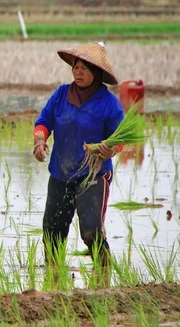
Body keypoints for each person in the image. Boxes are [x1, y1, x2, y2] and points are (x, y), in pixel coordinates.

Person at [33, 42, 124, 268]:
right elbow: (44, 122)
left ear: (97, 72)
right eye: (76, 66)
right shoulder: (61, 94)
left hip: (93, 176)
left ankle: (104, 272)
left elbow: (120, 139)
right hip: (60, 175)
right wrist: (40, 141)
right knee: (53, 233)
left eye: (85, 67)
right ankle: (53, 278)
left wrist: (108, 150)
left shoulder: (109, 104)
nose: (78, 71)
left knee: (90, 231)